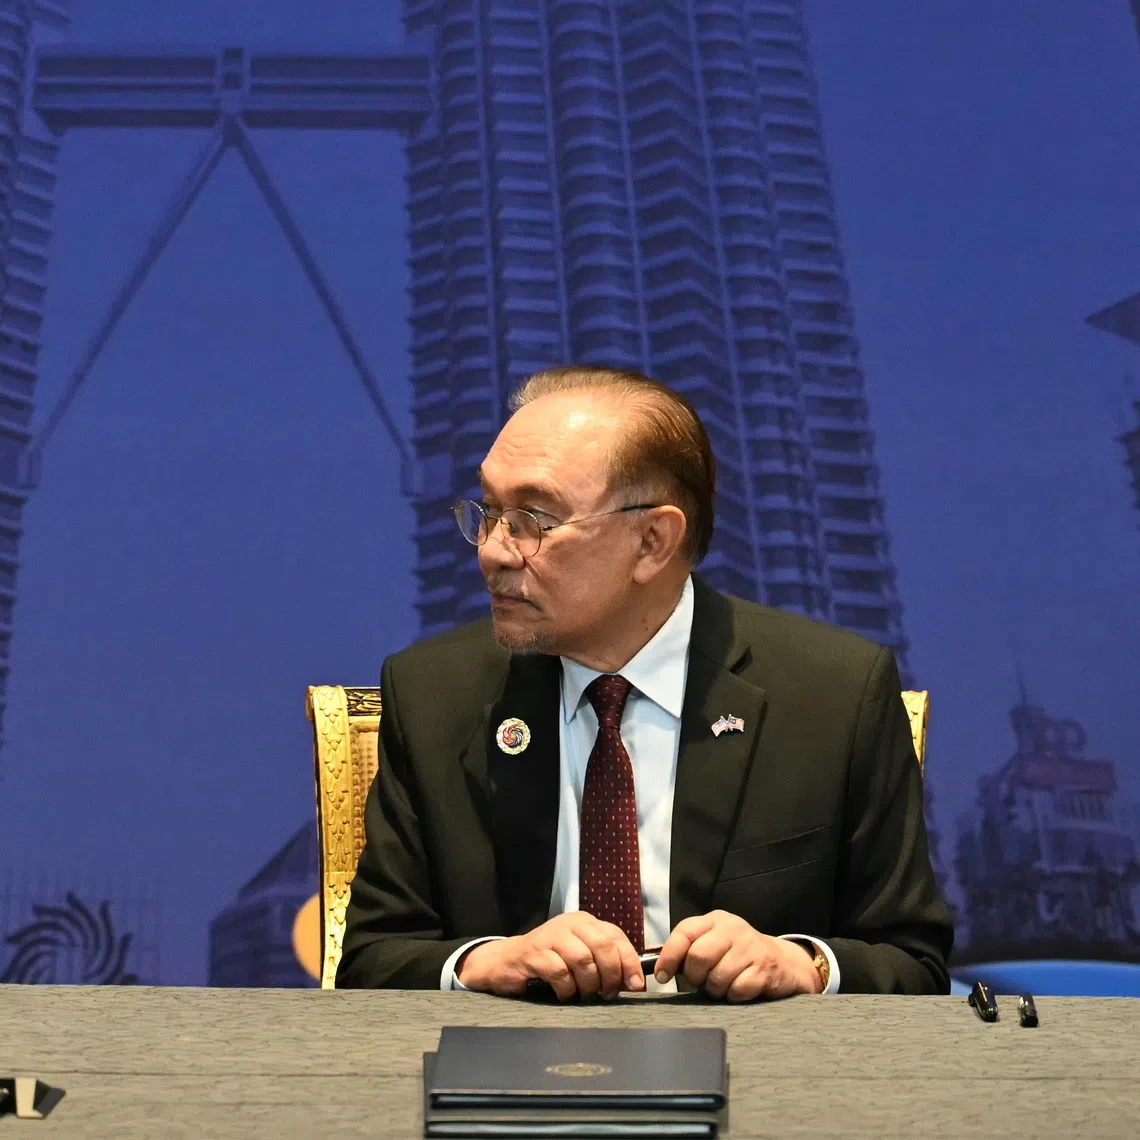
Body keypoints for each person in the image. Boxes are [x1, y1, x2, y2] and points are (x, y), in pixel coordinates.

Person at [337, 365, 953, 1000]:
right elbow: (371, 961)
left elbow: (912, 962)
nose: (493, 550)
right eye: (490, 511)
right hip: (514, 1075)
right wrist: (484, 962)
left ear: (653, 541)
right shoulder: (435, 693)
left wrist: (804, 964)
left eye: (534, 520)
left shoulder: (833, 693)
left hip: (758, 1076)